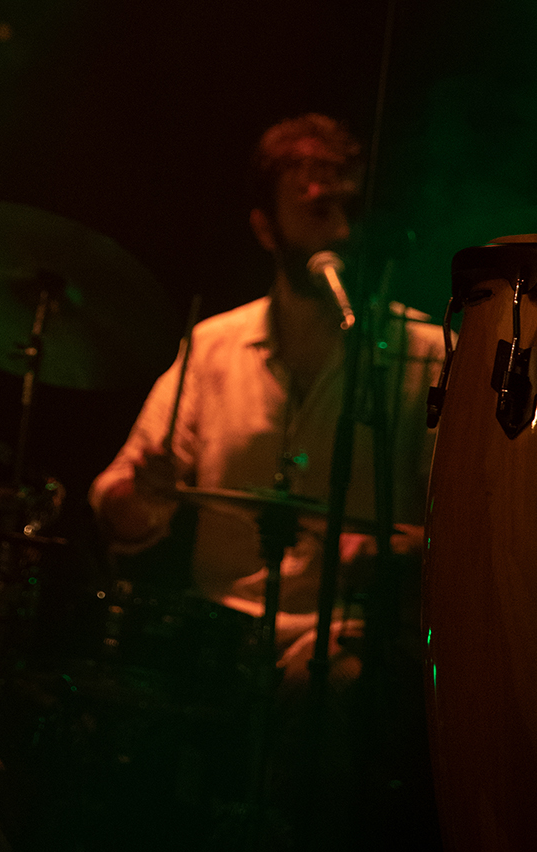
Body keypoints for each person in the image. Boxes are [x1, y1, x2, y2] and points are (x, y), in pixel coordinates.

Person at [89, 115, 443, 683]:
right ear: (264, 228)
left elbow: (469, 534)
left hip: (353, 637)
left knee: (337, 682)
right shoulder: (213, 346)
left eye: (351, 209)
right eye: (317, 210)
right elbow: (117, 507)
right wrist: (143, 496)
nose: (342, 232)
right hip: (217, 633)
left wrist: (399, 551)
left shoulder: (428, 354)